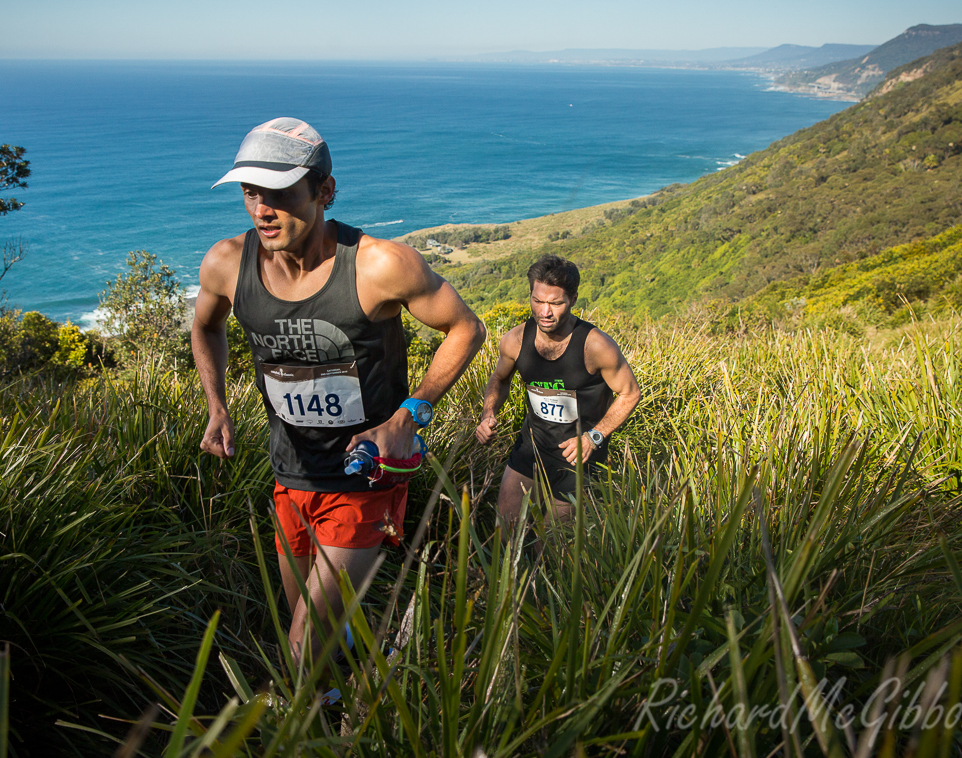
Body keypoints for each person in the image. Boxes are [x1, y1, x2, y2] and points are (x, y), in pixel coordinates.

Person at [192, 118, 486, 665]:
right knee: (311, 619)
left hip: (365, 476)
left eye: (280, 194)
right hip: (291, 473)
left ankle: (303, 730)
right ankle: (351, 687)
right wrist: (217, 404)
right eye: (251, 193)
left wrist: (408, 416)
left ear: (324, 190)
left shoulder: (379, 265)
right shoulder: (227, 263)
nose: (262, 209)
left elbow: (466, 327)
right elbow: (206, 325)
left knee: (302, 643)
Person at [475, 254, 640, 534]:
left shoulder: (595, 345)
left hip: (578, 456)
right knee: (506, 530)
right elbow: (500, 379)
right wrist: (488, 413)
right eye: (538, 301)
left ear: (573, 300)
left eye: (555, 303)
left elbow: (629, 393)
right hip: (532, 446)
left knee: (553, 543)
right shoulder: (515, 339)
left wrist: (594, 437)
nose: (545, 312)